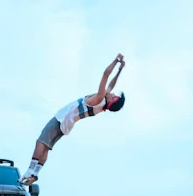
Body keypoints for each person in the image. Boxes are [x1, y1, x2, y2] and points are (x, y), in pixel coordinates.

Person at [19, 53, 126, 185]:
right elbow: (111, 85)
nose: (113, 92)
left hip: (62, 118)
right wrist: (120, 70)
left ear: (111, 100)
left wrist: (116, 61)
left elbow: (105, 75)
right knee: (46, 147)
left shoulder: (99, 98)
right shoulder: (102, 105)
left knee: (41, 142)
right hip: (67, 125)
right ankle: (35, 173)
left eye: (115, 96)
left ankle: (30, 170)